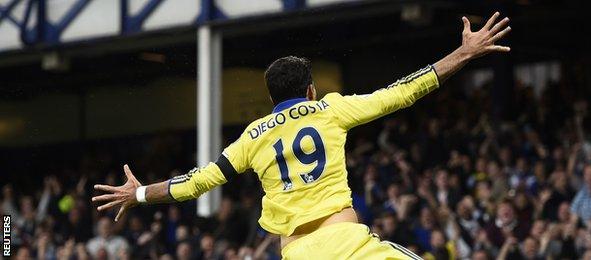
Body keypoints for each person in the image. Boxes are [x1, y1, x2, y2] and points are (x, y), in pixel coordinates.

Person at [92, 12, 512, 259]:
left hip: (295, 253)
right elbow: (403, 91)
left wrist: (141, 193)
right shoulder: (329, 109)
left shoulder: (252, 136)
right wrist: (465, 52)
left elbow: (198, 182)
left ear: (270, 97)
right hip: (349, 246)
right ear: (310, 89)